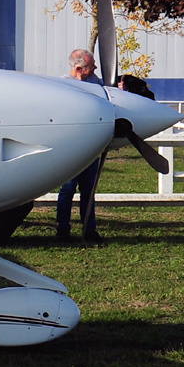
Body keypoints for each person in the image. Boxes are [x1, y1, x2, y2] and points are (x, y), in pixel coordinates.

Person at [56, 49, 106, 244]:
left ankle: (89, 229)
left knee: (89, 190)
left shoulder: (96, 82)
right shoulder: (63, 85)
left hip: (91, 147)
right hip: (72, 148)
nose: (95, 68)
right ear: (78, 68)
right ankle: (62, 229)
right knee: (67, 190)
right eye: (91, 65)